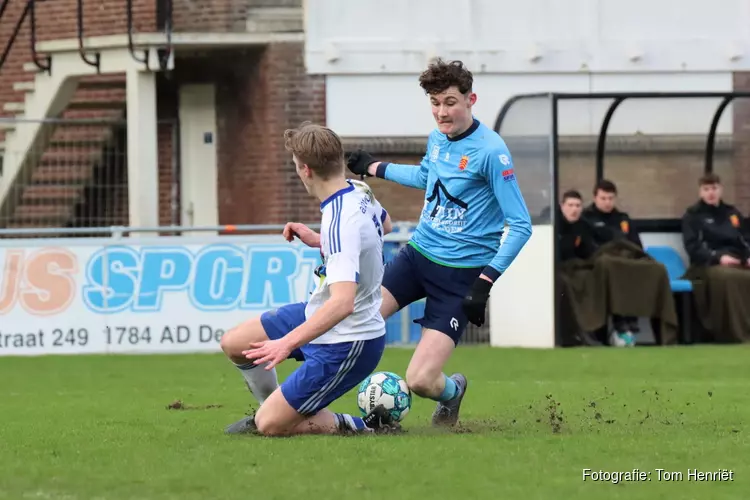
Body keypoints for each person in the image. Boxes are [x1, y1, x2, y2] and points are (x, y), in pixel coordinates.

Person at [346, 58, 533, 427]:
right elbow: (426, 176)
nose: (441, 113)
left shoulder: (492, 152)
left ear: (470, 99)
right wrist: (375, 168)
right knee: (355, 320)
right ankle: (319, 405)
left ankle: (452, 393)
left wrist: (485, 281)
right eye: (434, 103)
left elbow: (522, 225)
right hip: (417, 257)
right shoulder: (437, 139)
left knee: (420, 381)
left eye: (449, 102)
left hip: (461, 277)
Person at [220, 123, 398, 437]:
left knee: (270, 426)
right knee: (236, 343)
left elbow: (343, 303)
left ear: (305, 170)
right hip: (319, 314)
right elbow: (386, 225)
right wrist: (321, 241)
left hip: (349, 339)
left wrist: (285, 343)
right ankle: (277, 408)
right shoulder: (358, 189)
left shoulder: (341, 222)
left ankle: (366, 425)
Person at [681, 174, 750, 343]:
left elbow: (745, 239)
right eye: (706, 189)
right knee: (729, 278)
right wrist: (718, 257)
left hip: (737, 260)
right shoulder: (693, 216)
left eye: (714, 188)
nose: (711, 193)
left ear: (721, 190)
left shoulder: (732, 213)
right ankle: (737, 332)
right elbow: (693, 247)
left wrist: (748, 256)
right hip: (707, 264)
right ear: (700, 192)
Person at [581, 179, 642, 346]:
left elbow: (637, 246)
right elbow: (587, 248)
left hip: (624, 264)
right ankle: (621, 322)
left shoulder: (623, 219)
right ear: (595, 198)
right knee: (612, 266)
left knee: (652, 268)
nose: (607, 202)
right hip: (598, 266)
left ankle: (635, 324)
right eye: (603, 198)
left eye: (610, 198)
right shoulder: (586, 219)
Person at [558, 190, 596, 262]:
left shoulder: (585, 226)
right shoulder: (555, 225)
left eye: (578, 206)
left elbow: (590, 250)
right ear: (562, 206)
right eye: (570, 205)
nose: (574, 209)